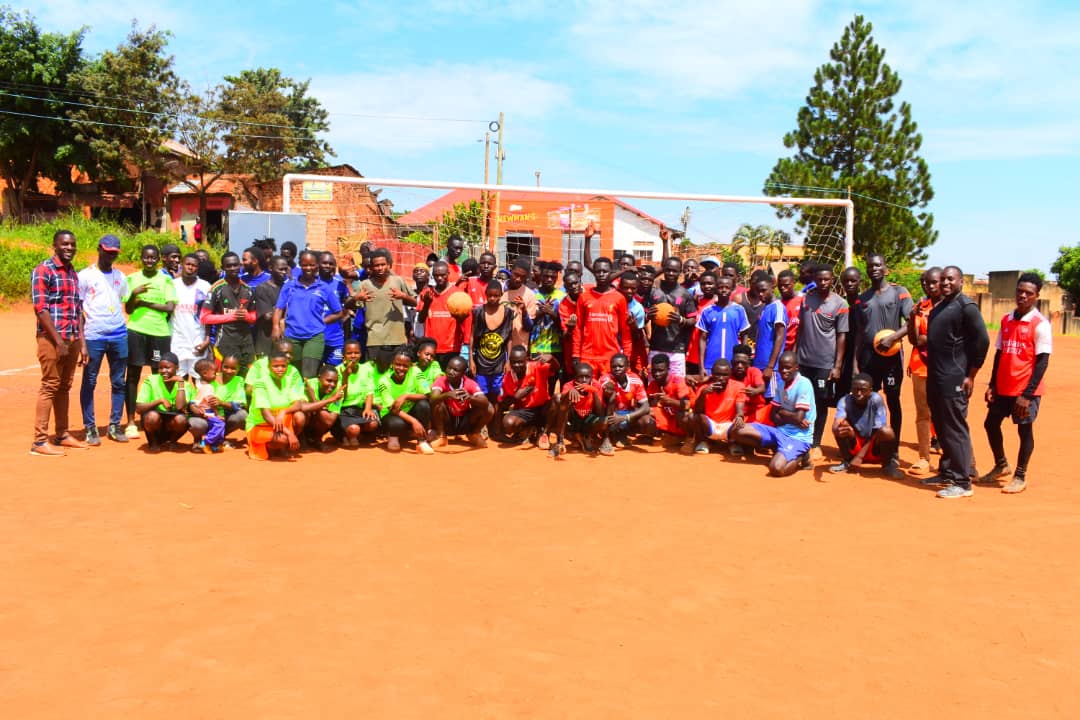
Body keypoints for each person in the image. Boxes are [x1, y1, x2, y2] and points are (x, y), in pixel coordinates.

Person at [978, 273, 1051, 494]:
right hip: (1003, 387)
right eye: (1020, 291)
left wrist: (1027, 395)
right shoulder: (1006, 319)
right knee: (990, 424)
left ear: (1037, 296)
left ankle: (1020, 476)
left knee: (1024, 431)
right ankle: (1001, 465)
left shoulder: (1040, 324)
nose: (1023, 296)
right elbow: (999, 354)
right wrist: (992, 384)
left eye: (1029, 293)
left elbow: (1042, 362)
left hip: (1025, 390)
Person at [924, 266, 990, 498]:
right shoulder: (939, 307)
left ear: (961, 282)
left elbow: (982, 341)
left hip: (955, 378)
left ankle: (963, 482)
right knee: (941, 426)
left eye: (950, 279)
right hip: (935, 378)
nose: (945, 283)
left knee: (954, 428)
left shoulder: (966, 306)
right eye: (943, 279)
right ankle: (947, 472)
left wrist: (971, 375)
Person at [853, 255, 913, 477]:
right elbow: (860, 333)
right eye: (870, 266)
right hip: (869, 358)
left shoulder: (899, 293)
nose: (874, 268)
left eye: (878, 265)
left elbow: (911, 322)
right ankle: (869, 447)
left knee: (893, 401)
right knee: (868, 401)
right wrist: (855, 363)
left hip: (891, 357)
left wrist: (893, 337)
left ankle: (893, 449)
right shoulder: (862, 299)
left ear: (886, 268)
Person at [30, 229, 87, 456]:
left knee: (64, 387)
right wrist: (58, 342)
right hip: (52, 339)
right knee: (50, 385)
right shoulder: (43, 270)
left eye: (72, 244)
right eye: (64, 244)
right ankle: (39, 441)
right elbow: (40, 309)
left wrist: (81, 343)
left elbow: (77, 309)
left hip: (72, 338)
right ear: (54, 245)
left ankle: (62, 433)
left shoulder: (72, 273)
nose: (69, 248)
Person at [78, 234, 129, 445]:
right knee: (89, 381)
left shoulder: (121, 277)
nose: (110, 256)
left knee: (118, 381)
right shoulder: (85, 276)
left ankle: (115, 425)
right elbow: (78, 311)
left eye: (114, 253)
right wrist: (82, 342)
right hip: (94, 336)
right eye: (107, 252)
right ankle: (90, 427)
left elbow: (122, 300)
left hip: (119, 335)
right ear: (99, 249)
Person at [124, 245, 177, 440]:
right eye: (146, 257)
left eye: (153, 257)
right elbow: (129, 309)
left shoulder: (165, 280)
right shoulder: (132, 279)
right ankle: (131, 421)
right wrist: (134, 294)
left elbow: (169, 307)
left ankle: (158, 417)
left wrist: (144, 302)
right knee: (133, 376)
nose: (149, 261)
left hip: (159, 333)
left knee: (159, 376)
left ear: (158, 259)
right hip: (136, 330)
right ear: (141, 258)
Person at [731, 352, 814, 476]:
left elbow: (798, 417)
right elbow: (773, 416)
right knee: (736, 430)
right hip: (780, 431)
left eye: (788, 367)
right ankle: (778, 449)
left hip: (798, 436)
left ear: (796, 367)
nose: (784, 371)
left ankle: (800, 456)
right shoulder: (781, 384)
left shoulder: (804, 384)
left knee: (776, 468)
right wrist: (791, 417)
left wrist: (782, 413)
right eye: (781, 367)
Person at [796, 265, 849, 458]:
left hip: (824, 363)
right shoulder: (806, 299)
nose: (823, 282)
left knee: (820, 403)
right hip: (803, 361)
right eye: (819, 279)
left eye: (826, 279)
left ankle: (816, 444)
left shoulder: (840, 303)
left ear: (832, 280)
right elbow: (801, 328)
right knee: (801, 401)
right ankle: (800, 439)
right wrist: (794, 355)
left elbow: (842, 336)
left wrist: (837, 366)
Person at [273, 250, 344, 378]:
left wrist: (322, 321)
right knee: (294, 374)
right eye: (305, 265)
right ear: (300, 265)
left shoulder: (324, 287)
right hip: (292, 335)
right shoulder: (290, 286)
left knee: (309, 374)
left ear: (317, 265)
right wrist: (276, 327)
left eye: (312, 265)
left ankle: (310, 392)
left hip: (314, 337)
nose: (308, 268)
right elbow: (279, 308)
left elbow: (339, 312)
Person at [348, 248, 416, 374]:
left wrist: (404, 296)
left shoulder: (398, 281)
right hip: (375, 340)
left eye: (383, 264)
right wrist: (356, 298)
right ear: (371, 268)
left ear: (389, 265)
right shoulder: (365, 285)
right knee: (374, 374)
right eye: (376, 265)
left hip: (397, 340)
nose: (380, 268)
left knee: (397, 374)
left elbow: (415, 303)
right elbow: (347, 305)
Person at [829, 373, 903, 478]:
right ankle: (847, 461)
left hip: (873, 446)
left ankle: (887, 465)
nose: (859, 393)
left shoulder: (876, 400)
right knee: (840, 427)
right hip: (856, 443)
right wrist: (837, 427)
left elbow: (878, 430)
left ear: (870, 390)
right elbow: (838, 420)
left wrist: (859, 456)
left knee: (887, 431)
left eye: (863, 390)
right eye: (855, 389)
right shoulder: (845, 400)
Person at [906, 267, 942, 474]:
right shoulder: (920, 308)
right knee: (923, 413)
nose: (930, 286)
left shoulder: (952, 307)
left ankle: (958, 460)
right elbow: (915, 340)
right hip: (920, 366)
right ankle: (923, 458)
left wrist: (927, 338)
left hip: (945, 368)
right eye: (927, 282)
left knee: (946, 413)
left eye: (934, 282)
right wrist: (912, 319)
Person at [573, 256, 632, 377]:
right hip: (587, 356)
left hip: (610, 357)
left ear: (611, 272)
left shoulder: (619, 298)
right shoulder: (584, 297)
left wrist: (627, 355)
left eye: (605, 271)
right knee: (587, 388)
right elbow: (578, 328)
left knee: (609, 388)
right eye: (598, 271)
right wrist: (575, 354)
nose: (601, 274)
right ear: (593, 273)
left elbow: (625, 331)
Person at [246, 348, 308, 461]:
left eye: (283, 366)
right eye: (275, 366)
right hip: (260, 425)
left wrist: (283, 412)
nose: (280, 369)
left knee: (299, 416)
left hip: (280, 422)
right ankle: (270, 447)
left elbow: (298, 404)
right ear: (269, 366)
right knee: (284, 439)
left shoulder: (288, 380)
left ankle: (280, 447)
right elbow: (266, 415)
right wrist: (289, 433)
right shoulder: (260, 383)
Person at [471, 280, 520, 424]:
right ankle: (482, 424)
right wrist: (471, 360)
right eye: (490, 296)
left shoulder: (508, 313)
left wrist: (508, 360)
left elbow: (509, 338)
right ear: (485, 294)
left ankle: (495, 424)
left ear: (501, 295)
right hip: (481, 361)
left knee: (497, 395)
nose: (493, 299)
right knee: (482, 396)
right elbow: (472, 336)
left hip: (499, 362)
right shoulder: (478, 312)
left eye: (496, 296)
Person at [201, 252, 256, 376]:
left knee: (247, 378)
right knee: (224, 378)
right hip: (225, 342)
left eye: (235, 265)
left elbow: (254, 317)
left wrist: (247, 316)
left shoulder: (248, 289)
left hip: (246, 342)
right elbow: (204, 317)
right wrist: (232, 316)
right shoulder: (216, 288)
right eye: (229, 266)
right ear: (223, 268)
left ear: (240, 266)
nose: (232, 268)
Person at [644, 256, 697, 378]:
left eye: (674, 271)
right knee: (654, 385)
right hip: (656, 347)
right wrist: (647, 316)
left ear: (680, 272)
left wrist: (681, 320)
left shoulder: (685, 294)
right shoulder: (653, 291)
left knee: (677, 386)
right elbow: (642, 318)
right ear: (663, 270)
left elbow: (693, 320)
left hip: (676, 350)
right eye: (668, 270)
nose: (671, 273)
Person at [376, 346, 433, 454]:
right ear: (392, 363)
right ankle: (393, 436)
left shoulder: (416, 371)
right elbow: (392, 409)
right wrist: (414, 421)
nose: (401, 368)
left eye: (405, 366)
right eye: (398, 364)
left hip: (410, 411)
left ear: (410, 365)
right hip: (393, 415)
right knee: (396, 423)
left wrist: (406, 396)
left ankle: (422, 441)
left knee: (423, 405)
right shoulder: (384, 380)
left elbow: (427, 394)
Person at [500, 346, 558, 450]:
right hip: (524, 411)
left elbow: (556, 368)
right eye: (514, 362)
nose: (517, 365)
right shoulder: (507, 378)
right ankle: (528, 429)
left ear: (526, 359)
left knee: (556, 400)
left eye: (520, 362)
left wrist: (551, 358)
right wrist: (515, 397)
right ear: (510, 361)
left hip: (542, 406)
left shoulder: (536, 366)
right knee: (508, 423)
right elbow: (503, 403)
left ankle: (544, 433)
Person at [430, 355, 493, 448]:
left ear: (463, 373)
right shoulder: (441, 380)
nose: (451, 372)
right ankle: (441, 436)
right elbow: (432, 399)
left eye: (455, 370)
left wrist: (470, 398)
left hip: (465, 421)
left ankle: (474, 434)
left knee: (489, 408)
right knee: (437, 403)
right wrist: (447, 395)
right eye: (449, 368)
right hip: (448, 421)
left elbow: (485, 402)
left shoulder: (469, 383)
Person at [417, 260, 471, 368]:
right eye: (436, 275)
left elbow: (465, 321)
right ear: (432, 276)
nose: (440, 278)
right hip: (431, 348)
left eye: (443, 275)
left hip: (451, 347)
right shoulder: (427, 293)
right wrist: (427, 304)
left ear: (448, 274)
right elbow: (420, 319)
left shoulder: (458, 294)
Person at [135, 351, 191, 453]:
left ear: (177, 368)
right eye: (161, 368)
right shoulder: (151, 380)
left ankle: (173, 441)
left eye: (167, 368)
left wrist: (180, 383)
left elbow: (180, 407)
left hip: (173, 423)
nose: (164, 371)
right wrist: (159, 401)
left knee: (181, 419)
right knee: (152, 416)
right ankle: (154, 441)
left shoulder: (185, 385)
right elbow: (139, 408)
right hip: (156, 423)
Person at [690, 359, 746, 455]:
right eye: (717, 374)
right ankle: (704, 442)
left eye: (725, 375)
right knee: (693, 417)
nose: (721, 378)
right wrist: (703, 394)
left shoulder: (738, 386)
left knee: (740, 421)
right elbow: (697, 411)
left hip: (729, 426)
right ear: (712, 374)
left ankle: (733, 443)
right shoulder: (704, 388)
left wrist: (740, 417)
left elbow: (740, 410)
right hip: (710, 425)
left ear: (730, 374)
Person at [598, 353, 651, 454]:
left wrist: (624, 417)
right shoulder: (606, 379)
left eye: (620, 366)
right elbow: (607, 387)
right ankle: (606, 438)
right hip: (608, 415)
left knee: (648, 422)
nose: (617, 369)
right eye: (614, 366)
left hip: (625, 415)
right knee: (612, 394)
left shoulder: (635, 380)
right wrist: (609, 389)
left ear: (627, 366)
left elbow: (645, 407)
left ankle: (621, 434)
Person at [696, 275, 749, 373]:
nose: (724, 290)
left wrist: (743, 360)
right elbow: (702, 338)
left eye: (727, 287)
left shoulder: (739, 310)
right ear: (716, 289)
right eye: (720, 287)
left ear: (732, 289)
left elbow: (744, 335)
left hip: (732, 363)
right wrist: (701, 366)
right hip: (711, 363)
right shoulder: (707, 311)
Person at [329, 340, 378, 448]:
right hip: (343, 410)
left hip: (359, 409)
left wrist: (368, 408)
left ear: (361, 354)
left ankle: (356, 434)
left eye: (356, 353)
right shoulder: (337, 371)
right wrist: (345, 376)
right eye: (349, 353)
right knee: (354, 429)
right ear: (343, 355)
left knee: (373, 424)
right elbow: (342, 397)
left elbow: (370, 391)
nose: (353, 356)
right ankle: (342, 434)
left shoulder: (366, 369)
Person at [171, 253, 212, 380]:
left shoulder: (205, 286)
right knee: (179, 378)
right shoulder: (172, 284)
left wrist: (207, 339)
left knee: (198, 378)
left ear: (198, 268)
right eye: (187, 264)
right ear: (182, 265)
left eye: (194, 265)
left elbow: (209, 314)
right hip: (177, 340)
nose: (190, 267)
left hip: (198, 339)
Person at [553, 361, 605, 457]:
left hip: (588, 420)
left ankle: (586, 436)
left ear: (592, 377)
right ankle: (560, 441)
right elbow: (562, 406)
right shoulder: (569, 385)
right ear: (575, 377)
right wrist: (569, 393)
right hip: (573, 420)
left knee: (604, 420)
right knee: (558, 399)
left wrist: (593, 392)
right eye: (580, 377)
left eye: (587, 377)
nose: (584, 380)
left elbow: (600, 412)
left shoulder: (596, 386)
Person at [645, 352, 694, 452]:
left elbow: (687, 405)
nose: (657, 374)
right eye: (654, 370)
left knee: (683, 413)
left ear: (668, 369)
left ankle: (690, 439)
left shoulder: (678, 382)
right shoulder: (653, 385)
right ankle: (673, 437)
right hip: (671, 419)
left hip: (688, 419)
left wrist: (669, 400)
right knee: (646, 415)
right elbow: (650, 406)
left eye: (660, 370)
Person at [751, 274, 787, 386]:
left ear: (772, 288)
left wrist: (770, 366)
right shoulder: (765, 308)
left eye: (763, 290)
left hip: (771, 368)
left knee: (772, 396)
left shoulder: (778, 307)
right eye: (758, 291)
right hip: (759, 364)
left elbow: (780, 337)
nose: (760, 294)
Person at [187, 358, 227, 453]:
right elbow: (212, 403)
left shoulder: (198, 384)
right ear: (205, 374)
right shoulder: (208, 387)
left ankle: (214, 445)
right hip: (208, 412)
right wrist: (217, 414)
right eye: (214, 373)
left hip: (202, 412)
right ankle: (205, 443)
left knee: (217, 425)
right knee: (220, 424)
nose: (216, 375)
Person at [318, 251, 350, 367]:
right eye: (324, 263)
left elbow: (347, 307)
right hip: (315, 337)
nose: (328, 266)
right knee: (314, 372)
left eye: (331, 264)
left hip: (336, 339)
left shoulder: (340, 284)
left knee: (334, 372)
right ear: (318, 264)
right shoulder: (311, 283)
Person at [529, 260, 566, 362]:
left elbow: (564, 325)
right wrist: (542, 312)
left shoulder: (562, 297)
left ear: (557, 278)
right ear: (541, 276)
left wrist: (551, 313)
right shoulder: (532, 295)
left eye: (553, 277)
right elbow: (527, 322)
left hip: (556, 347)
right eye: (546, 276)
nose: (549, 279)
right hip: (536, 347)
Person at [254, 256, 289, 358]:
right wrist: (286, 311)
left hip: (285, 339)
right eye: (280, 269)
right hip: (267, 339)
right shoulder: (262, 288)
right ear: (270, 268)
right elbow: (267, 316)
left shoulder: (288, 288)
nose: (284, 272)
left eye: (285, 269)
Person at [837, 266, 863, 403]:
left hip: (860, 357)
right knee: (842, 398)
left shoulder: (865, 303)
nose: (849, 284)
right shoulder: (839, 303)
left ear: (860, 282)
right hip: (844, 358)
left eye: (853, 281)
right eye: (846, 281)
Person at [305, 364, 344, 451]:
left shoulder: (338, 392)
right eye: (329, 380)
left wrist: (314, 400)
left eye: (335, 382)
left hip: (319, 421)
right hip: (307, 420)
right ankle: (302, 439)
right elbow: (302, 408)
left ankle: (317, 440)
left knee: (324, 415)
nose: (332, 384)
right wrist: (321, 407)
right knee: (303, 414)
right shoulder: (309, 385)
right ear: (319, 378)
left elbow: (329, 421)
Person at [685, 270, 717, 375]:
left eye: (710, 283)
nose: (707, 286)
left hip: (711, 353)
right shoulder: (695, 301)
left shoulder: (719, 303)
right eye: (703, 283)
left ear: (716, 284)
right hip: (693, 352)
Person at [617, 271, 649, 375]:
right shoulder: (612, 302)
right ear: (620, 287)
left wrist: (634, 327)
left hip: (628, 351)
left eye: (633, 288)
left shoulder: (638, 308)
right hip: (610, 348)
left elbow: (638, 337)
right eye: (626, 288)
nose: (629, 291)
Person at [504, 258, 538, 349]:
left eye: (522, 277)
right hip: (499, 344)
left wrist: (524, 311)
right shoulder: (499, 291)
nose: (518, 279)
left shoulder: (529, 295)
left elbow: (529, 327)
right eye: (516, 275)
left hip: (519, 347)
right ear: (511, 270)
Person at [558, 270, 582, 379]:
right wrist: (570, 329)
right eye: (570, 284)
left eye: (575, 283)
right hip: (572, 349)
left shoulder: (588, 295)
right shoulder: (563, 305)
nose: (574, 286)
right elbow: (565, 335)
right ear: (565, 287)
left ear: (580, 281)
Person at [777, 269, 803, 352]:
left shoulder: (803, 300)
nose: (782, 288)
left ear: (793, 283)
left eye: (786, 285)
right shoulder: (777, 304)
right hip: (781, 349)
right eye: (780, 285)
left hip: (799, 349)